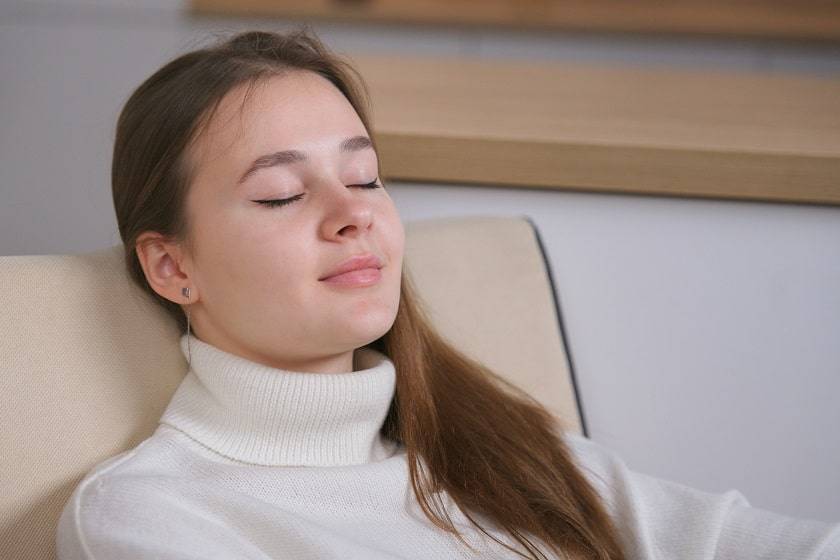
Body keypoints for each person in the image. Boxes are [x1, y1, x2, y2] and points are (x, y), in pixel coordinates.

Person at [56, 26, 840, 560]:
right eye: (283, 194)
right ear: (171, 268)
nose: (355, 212)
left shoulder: (501, 445)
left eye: (364, 177)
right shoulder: (152, 517)